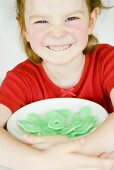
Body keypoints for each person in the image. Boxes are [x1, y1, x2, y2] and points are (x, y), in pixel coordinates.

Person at [0, 0, 114, 169]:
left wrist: (74, 151)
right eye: (41, 21)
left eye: (71, 18)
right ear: (25, 29)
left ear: (91, 21)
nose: (58, 33)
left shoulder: (107, 60)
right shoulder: (20, 79)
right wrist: (41, 161)